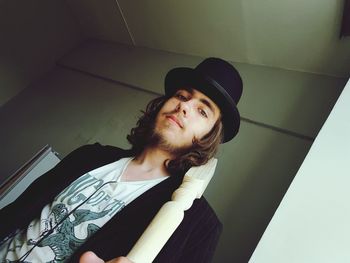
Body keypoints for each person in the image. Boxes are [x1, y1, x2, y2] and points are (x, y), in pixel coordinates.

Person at [0, 57, 243, 263]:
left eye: (203, 110)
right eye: (182, 95)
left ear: (209, 136)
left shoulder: (199, 224)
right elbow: (19, 209)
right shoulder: (90, 156)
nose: (184, 107)